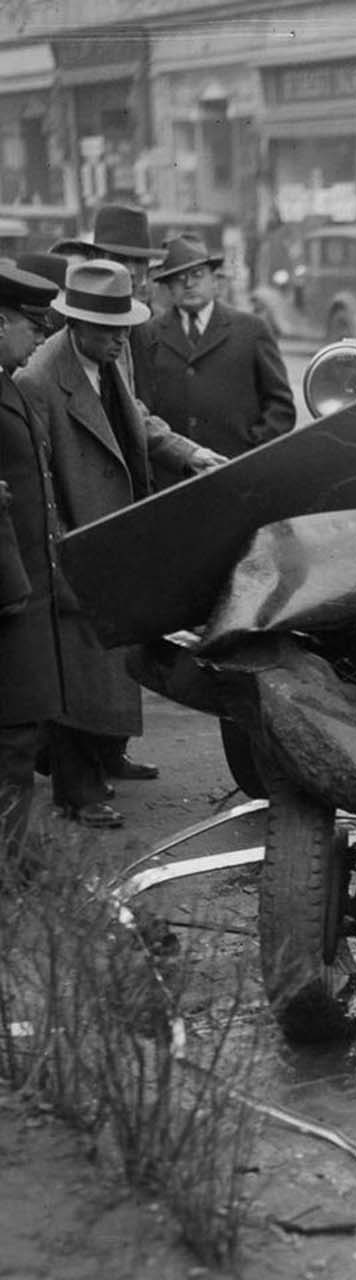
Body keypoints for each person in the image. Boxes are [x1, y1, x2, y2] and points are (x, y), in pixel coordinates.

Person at [16, 260, 226, 828]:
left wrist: (188, 452)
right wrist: (59, 554)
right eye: (108, 330)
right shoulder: (38, 379)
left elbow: (133, 417)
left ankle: (108, 756)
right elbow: (38, 476)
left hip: (114, 526)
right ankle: (77, 792)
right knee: (78, 665)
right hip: (77, 540)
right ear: (75, 325)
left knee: (109, 655)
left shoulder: (111, 355)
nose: (120, 339)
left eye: (124, 328)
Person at [0, 259, 62, 880]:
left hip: (25, 584)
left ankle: (18, 854)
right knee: (14, 737)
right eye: (31, 324)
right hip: (7, 593)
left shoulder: (10, 381)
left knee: (21, 732)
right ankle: (13, 864)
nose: (41, 337)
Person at [136, 235, 295, 458]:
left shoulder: (252, 330)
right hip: (173, 477)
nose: (189, 284)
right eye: (179, 279)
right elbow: (141, 407)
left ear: (215, 281)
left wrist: (251, 452)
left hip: (236, 472)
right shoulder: (149, 334)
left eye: (197, 275)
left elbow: (281, 407)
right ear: (169, 287)